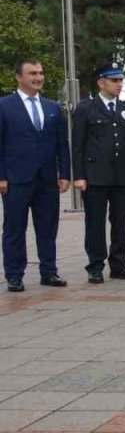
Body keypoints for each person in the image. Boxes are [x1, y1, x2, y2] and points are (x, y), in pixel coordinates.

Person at [1, 59, 71, 291]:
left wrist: (65, 173)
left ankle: (49, 271)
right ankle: (14, 275)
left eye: (40, 73)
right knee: (14, 228)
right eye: (32, 73)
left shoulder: (52, 108)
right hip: (16, 179)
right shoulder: (4, 106)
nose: (38, 78)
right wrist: (1, 176)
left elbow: (62, 143)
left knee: (47, 228)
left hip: (47, 179)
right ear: (18, 77)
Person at [72, 62, 125, 283]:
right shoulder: (86, 108)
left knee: (120, 222)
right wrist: (79, 175)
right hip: (95, 175)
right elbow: (78, 144)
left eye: (121, 80)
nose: (119, 84)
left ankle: (118, 264)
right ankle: (95, 265)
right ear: (101, 83)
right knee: (95, 222)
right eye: (114, 80)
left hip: (122, 175)